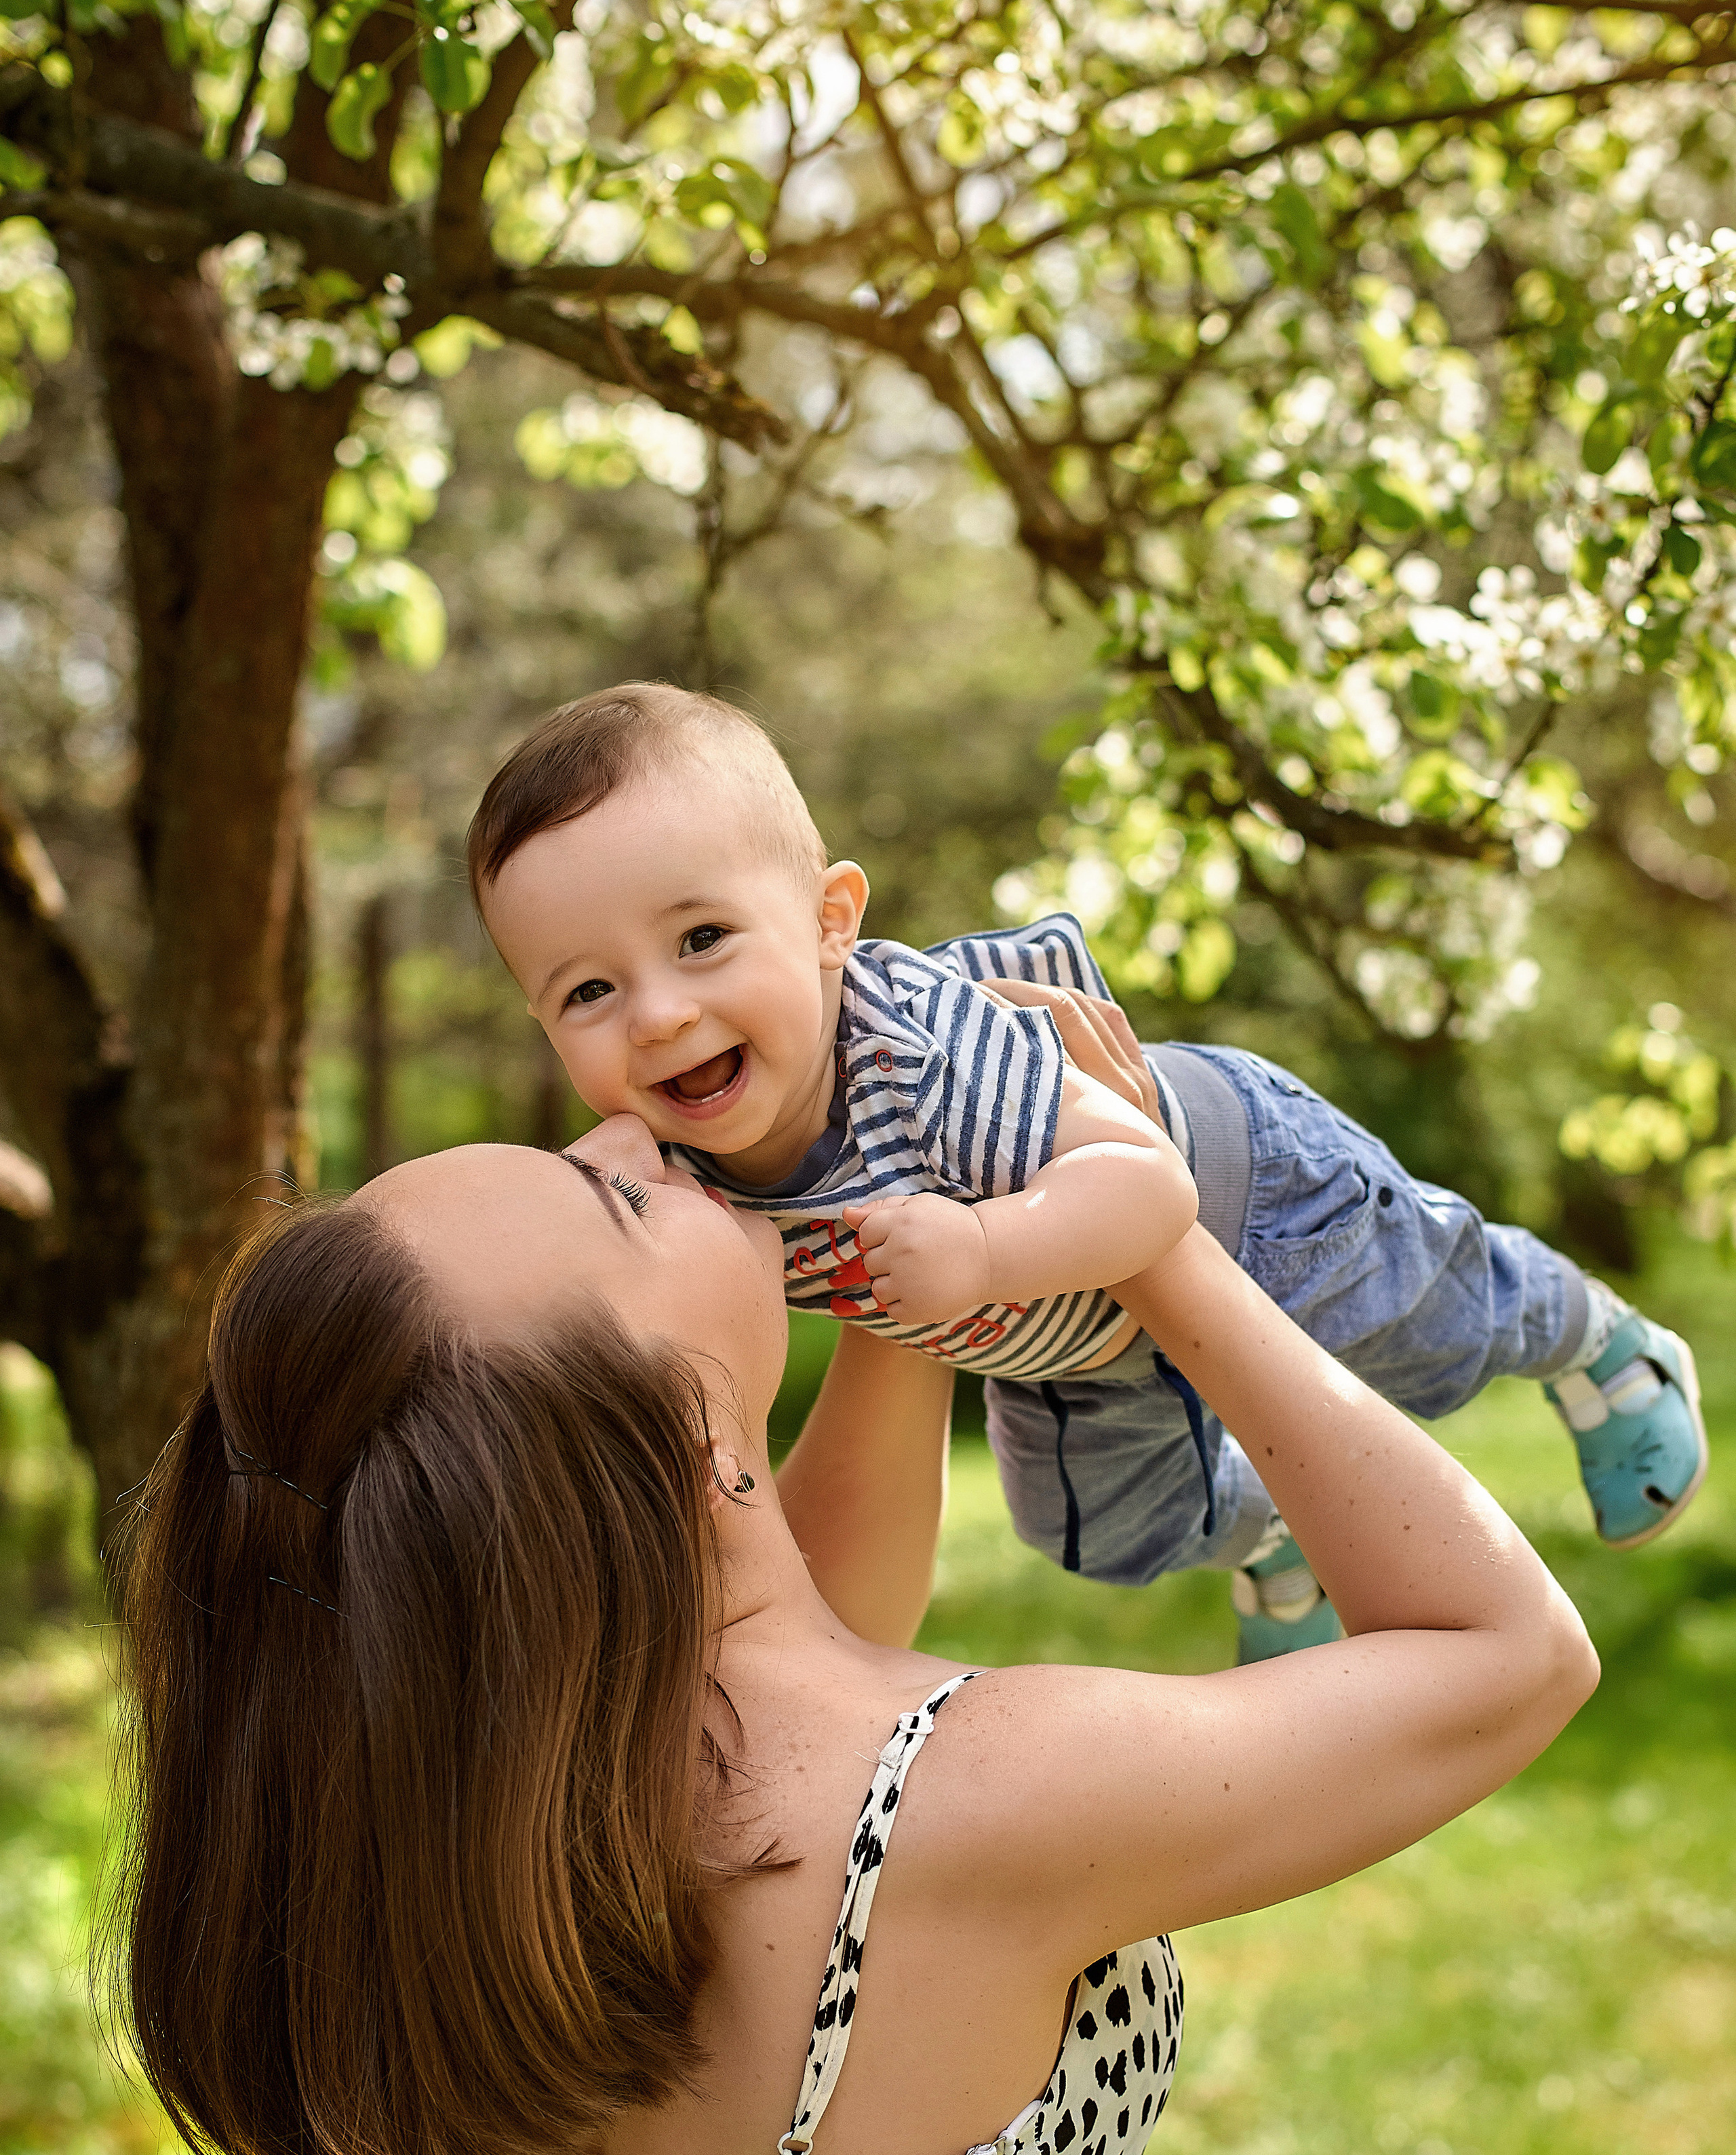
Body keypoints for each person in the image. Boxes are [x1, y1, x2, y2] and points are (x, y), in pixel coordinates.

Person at [112, 1073, 1600, 2155]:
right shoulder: (973, 1800)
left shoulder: (495, 1800)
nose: (629, 1128)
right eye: (615, 1195)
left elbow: (816, 1606)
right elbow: (1506, 1654)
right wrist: (1155, 1235)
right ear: (691, 1437)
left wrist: (894, 1223)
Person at [467, 683, 1710, 1664]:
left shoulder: (916, 1046)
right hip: (1061, 1341)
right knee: (1097, 1534)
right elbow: (579, 1208)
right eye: (589, 991)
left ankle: (1596, 1339)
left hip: (1235, 1191)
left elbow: (1147, 1187)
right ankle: (1275, 1538)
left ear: (832, 919)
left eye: (702, 938)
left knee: (1426, 1328)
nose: (661, 1016)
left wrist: (982, 1251)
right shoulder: (676, 1145)